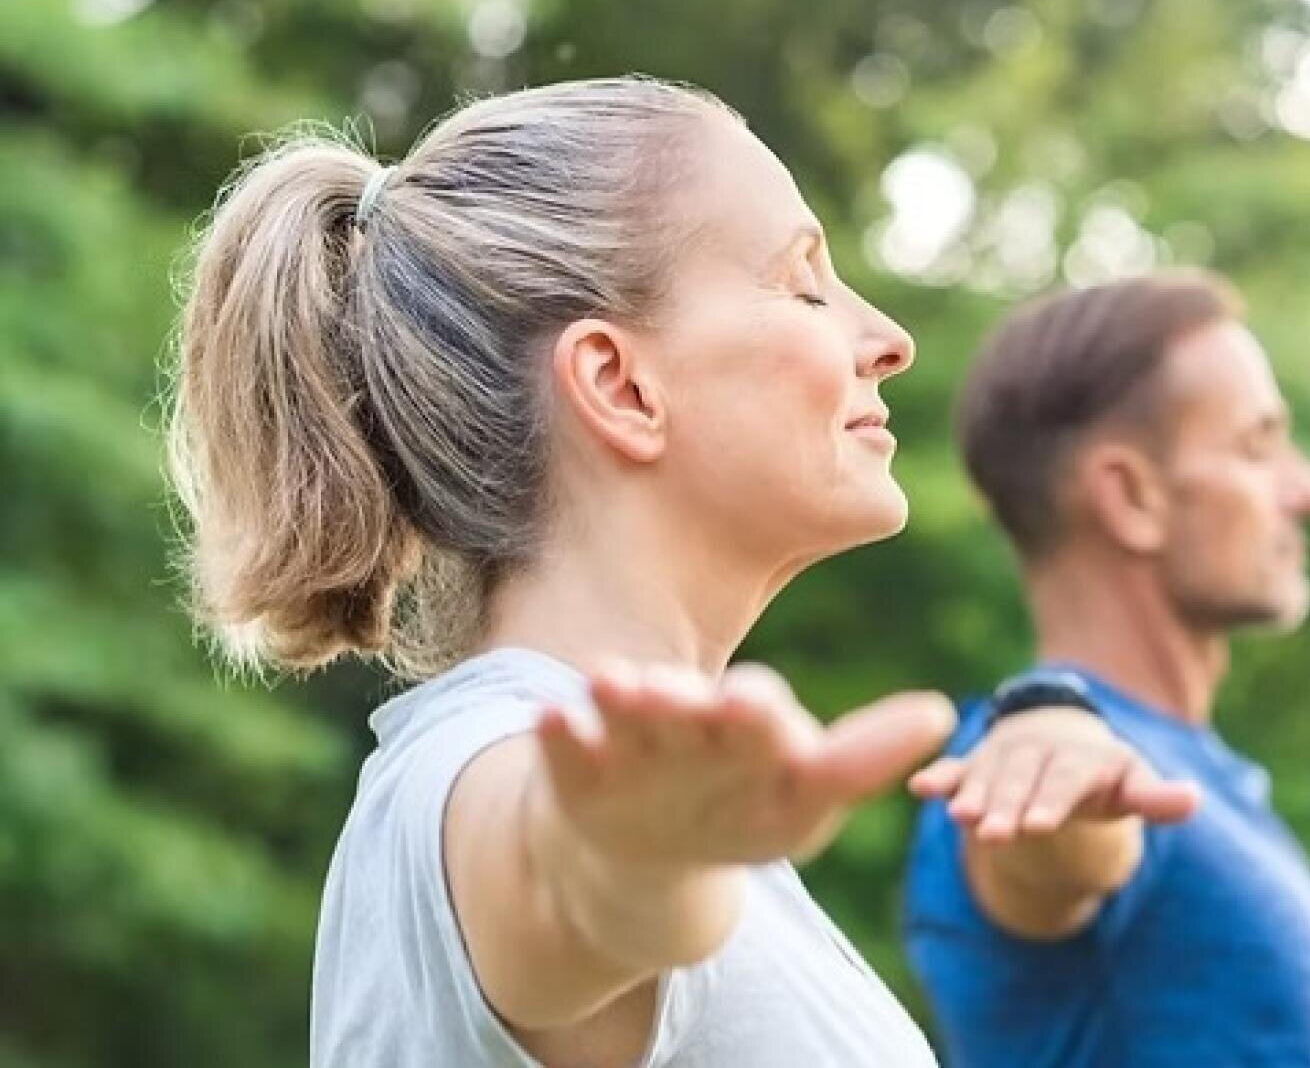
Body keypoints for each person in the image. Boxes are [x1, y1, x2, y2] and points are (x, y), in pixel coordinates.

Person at [165, 76, 955, 1067]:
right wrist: (628, 862)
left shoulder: (676, 819)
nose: (889, 340)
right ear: (619, 385)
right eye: (804, 282)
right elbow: (557, 876)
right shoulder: (487, 770)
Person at [902, 271, 1310, 1066]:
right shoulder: (1031, 767)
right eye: (1258, 447)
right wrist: (1059, 756)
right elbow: (1056, 845)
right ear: (1131, 497)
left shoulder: (1195, 773)